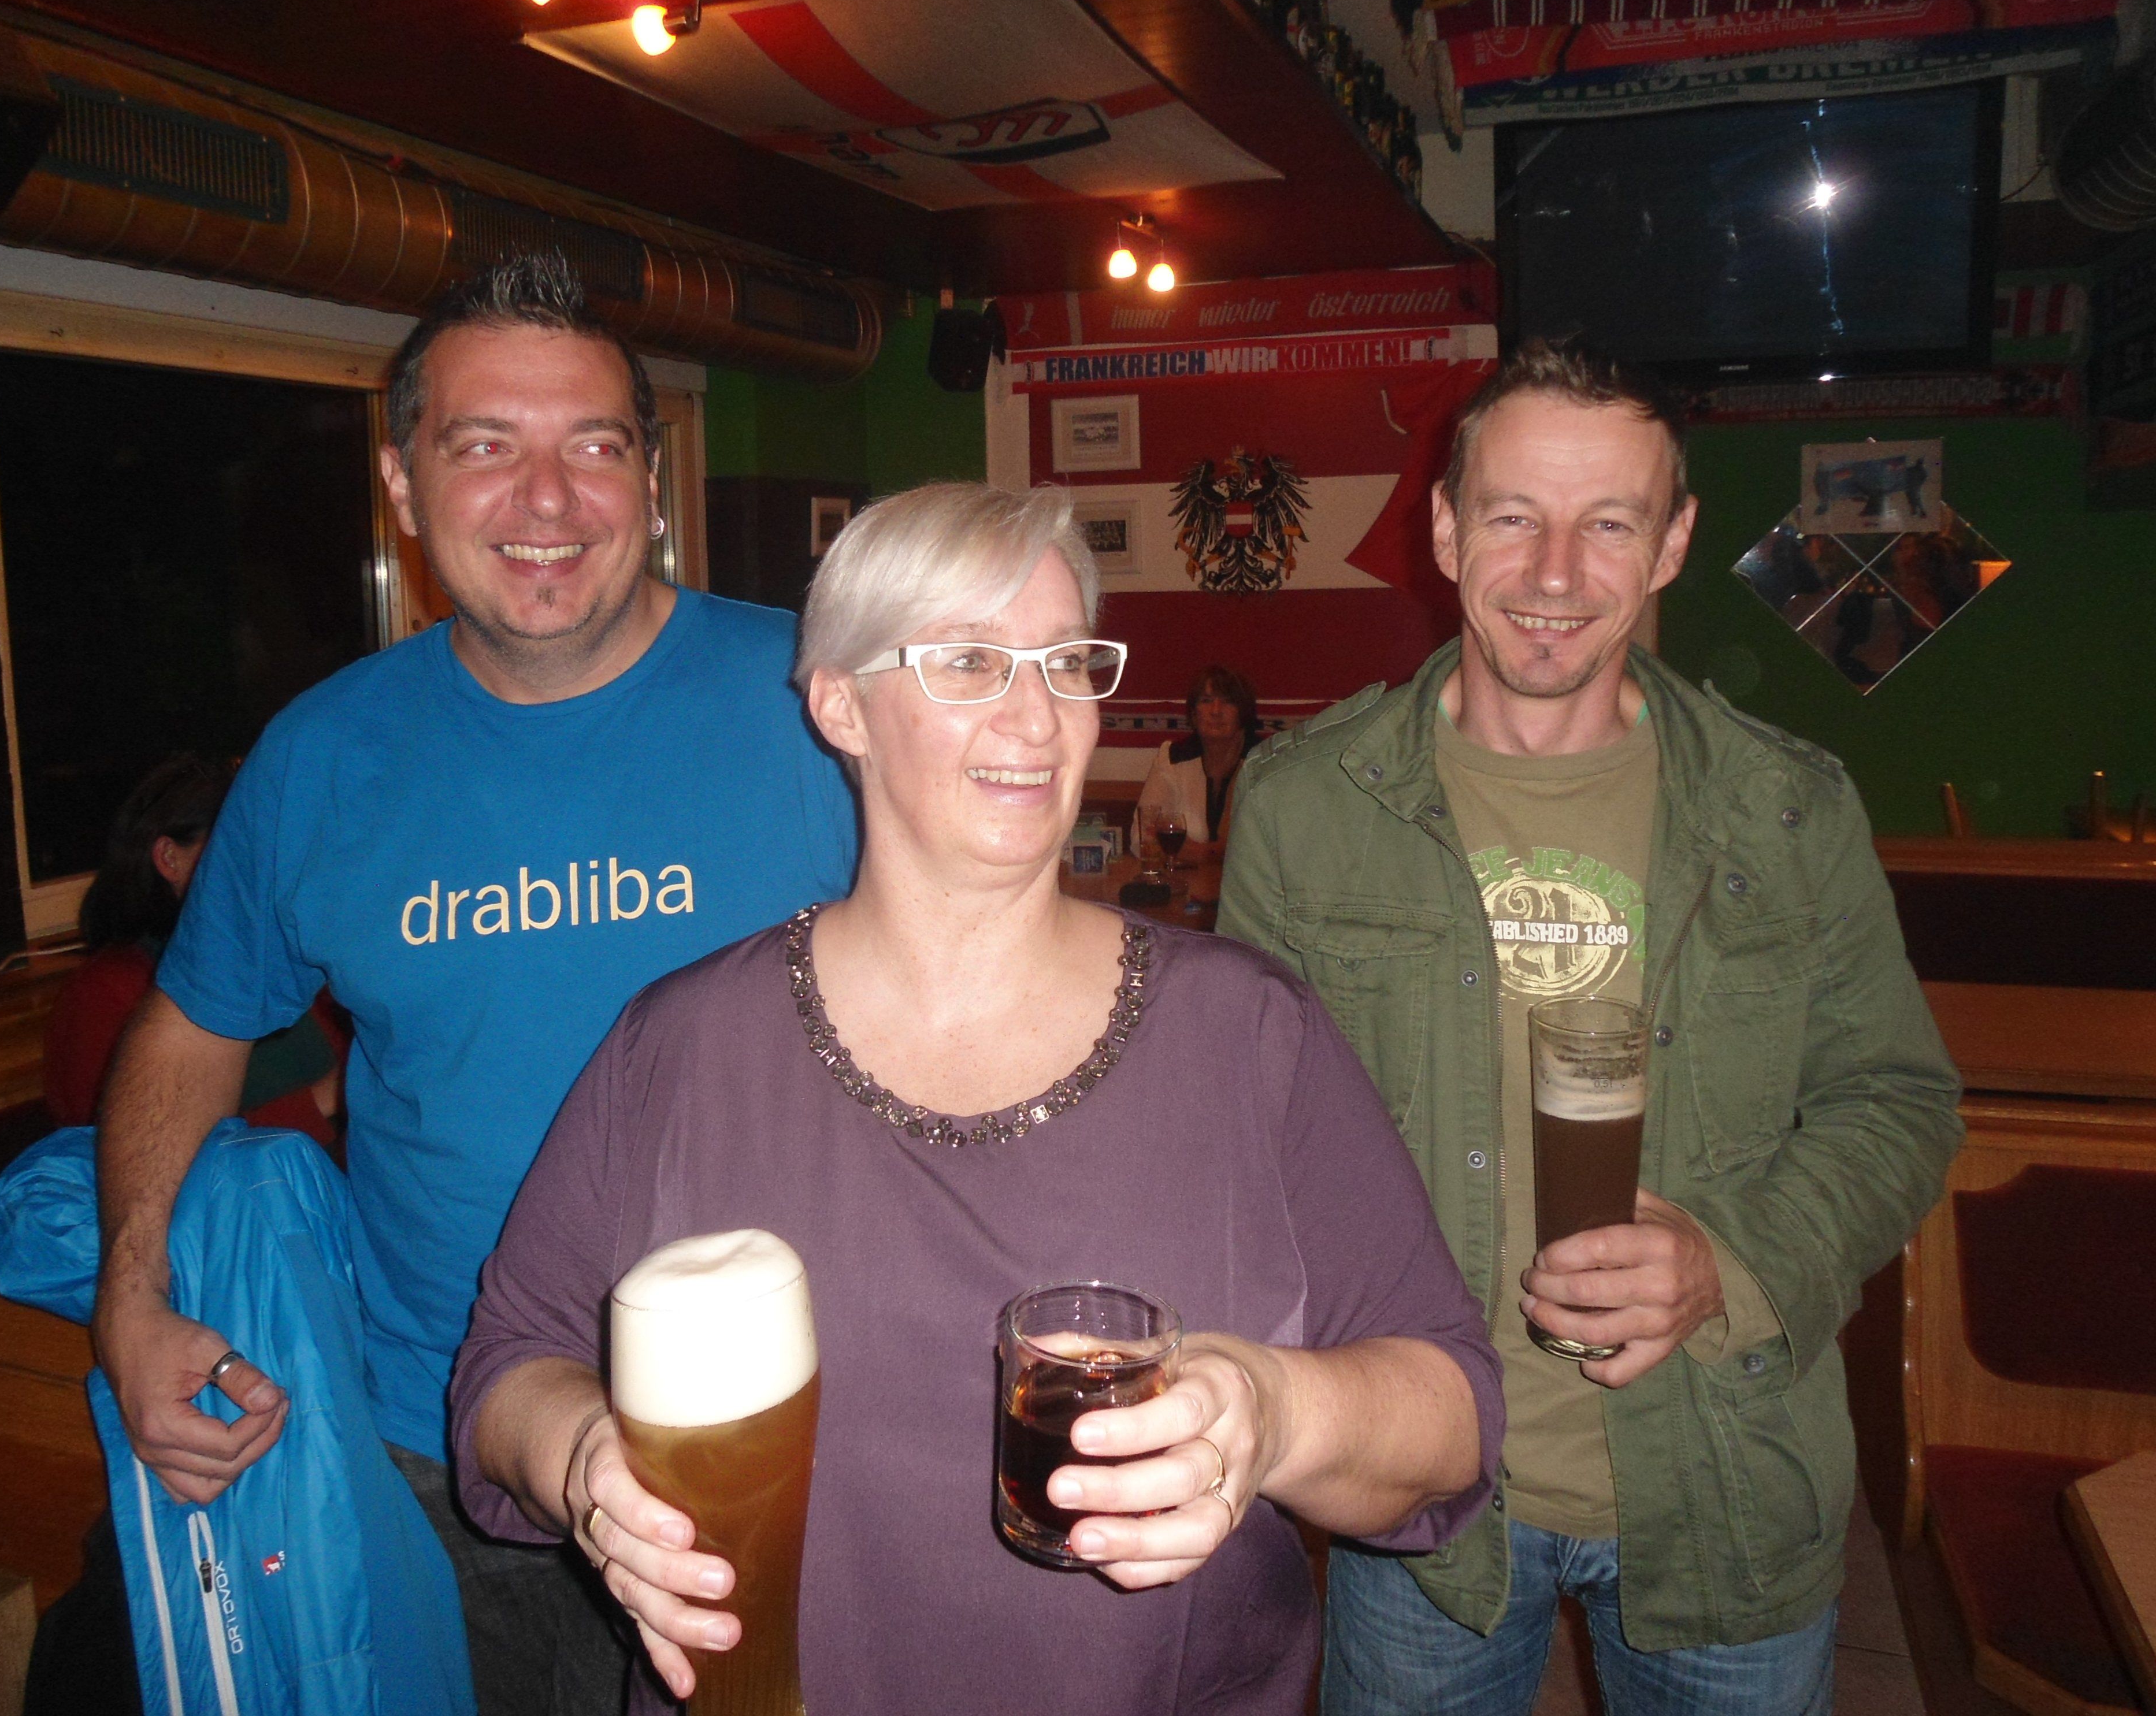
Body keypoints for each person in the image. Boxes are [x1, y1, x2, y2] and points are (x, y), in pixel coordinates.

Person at [448, 481, 1509, 1715]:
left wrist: (1277, 1412)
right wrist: (584, 1461)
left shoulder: (1248, 1033)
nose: (1037, 716)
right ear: (840, 705)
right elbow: (506, 1373)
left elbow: (1451, 1417)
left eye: (1066, 662)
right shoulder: (680, 1048)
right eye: (967, 661)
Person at [88, 253, 857, 1714]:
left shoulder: (819, 707)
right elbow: (188, 1029)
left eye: (594, 446)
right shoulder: (319, 757)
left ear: (650, 480)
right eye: (485, 446)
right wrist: (131, 1297)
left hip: (775, 1431)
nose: (546, 500)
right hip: (444, 1449)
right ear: (402, 482)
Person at [1219, 337, 1963, 1714]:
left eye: (1608, 523)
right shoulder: (1301, 806)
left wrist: (1727, 1260)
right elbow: (1245, 1143)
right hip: (1427, 1499)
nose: (1554, 574)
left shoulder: (1787, 809)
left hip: (1726, 1485)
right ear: (1445, 530)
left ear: (1671, 543)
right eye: (1513, 516)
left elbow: (1899, 1103)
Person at [43, 753, 342, 1148]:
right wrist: (323, 1100)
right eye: (236, 851)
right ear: (170, 859)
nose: (261, 871)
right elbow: (115, 1158)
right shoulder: (105, 993)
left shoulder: (276, 954)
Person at [1135, 663, 1266, 871]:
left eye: (1228, 702)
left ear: (1243, 712)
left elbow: (1268, 847)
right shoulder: (1173, 757)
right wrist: (1217, 854)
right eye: (1206, 701)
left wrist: (1198, 853)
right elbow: (1141, 837)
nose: (1216, 711)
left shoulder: (1265, 760)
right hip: (1185, 884)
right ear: (1194, 713)